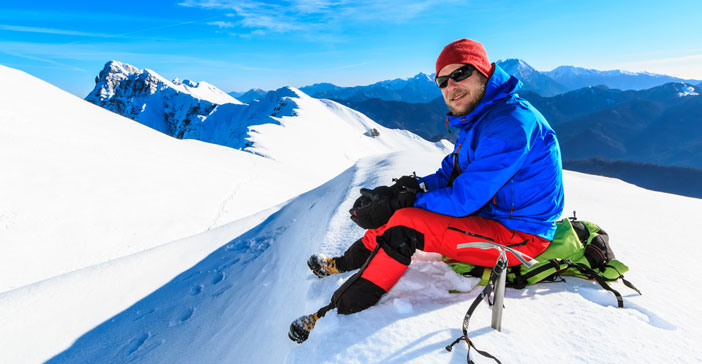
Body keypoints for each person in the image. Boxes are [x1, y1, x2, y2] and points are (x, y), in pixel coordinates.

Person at [289, 38, 564, 343]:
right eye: (442, 81)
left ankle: (335, 310)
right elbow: (452, 172)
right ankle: (344, 262)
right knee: (399, 207)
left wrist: (407, 202)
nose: (451, 86)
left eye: (460, 74)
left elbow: (463, 199)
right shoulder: (482, 116)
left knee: (405, 224)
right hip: (490, 217)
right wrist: (410, 188)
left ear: (484, 71)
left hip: (518, 237)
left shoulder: (509, 125)